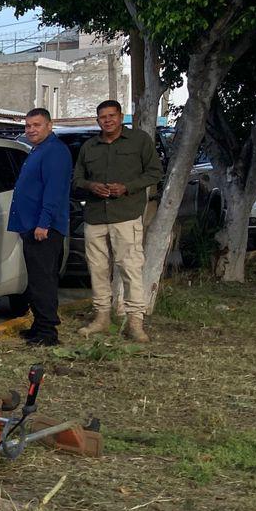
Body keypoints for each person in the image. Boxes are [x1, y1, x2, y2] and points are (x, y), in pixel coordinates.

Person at [72, 99, 162, 341]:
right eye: (103, 117)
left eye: (112, 115)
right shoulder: (90, 146)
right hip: (95, 216)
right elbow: (76, 179)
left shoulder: (139, 141)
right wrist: (91, 186)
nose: (107, 120)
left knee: (130, 268)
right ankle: (101, 317)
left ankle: (135, 321)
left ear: (121, 117)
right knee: (97, 269)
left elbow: (155, 172)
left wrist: (128, 187)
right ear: (98, 120)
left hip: (126, 214)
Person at [9, 108, 72, 346]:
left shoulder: (55, 152)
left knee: (44, 281)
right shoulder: (38, 150)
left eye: (36, 125)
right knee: (35, 280)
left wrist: (43, 223)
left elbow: (53, 192)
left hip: (43, 229)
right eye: (28, 126)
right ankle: (39, 326)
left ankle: (48, 333)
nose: (31, 130)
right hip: (30, 226)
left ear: (49, 125)